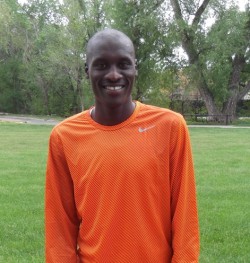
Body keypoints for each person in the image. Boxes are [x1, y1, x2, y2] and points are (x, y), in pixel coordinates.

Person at [45, 28, 199, 263]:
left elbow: (185, 216)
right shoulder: (65, 136)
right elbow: (59, 229)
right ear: (88, 70)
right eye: (102, 65)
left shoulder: (170, 126)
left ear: (135, 68)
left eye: (123, 64)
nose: (114, 75)